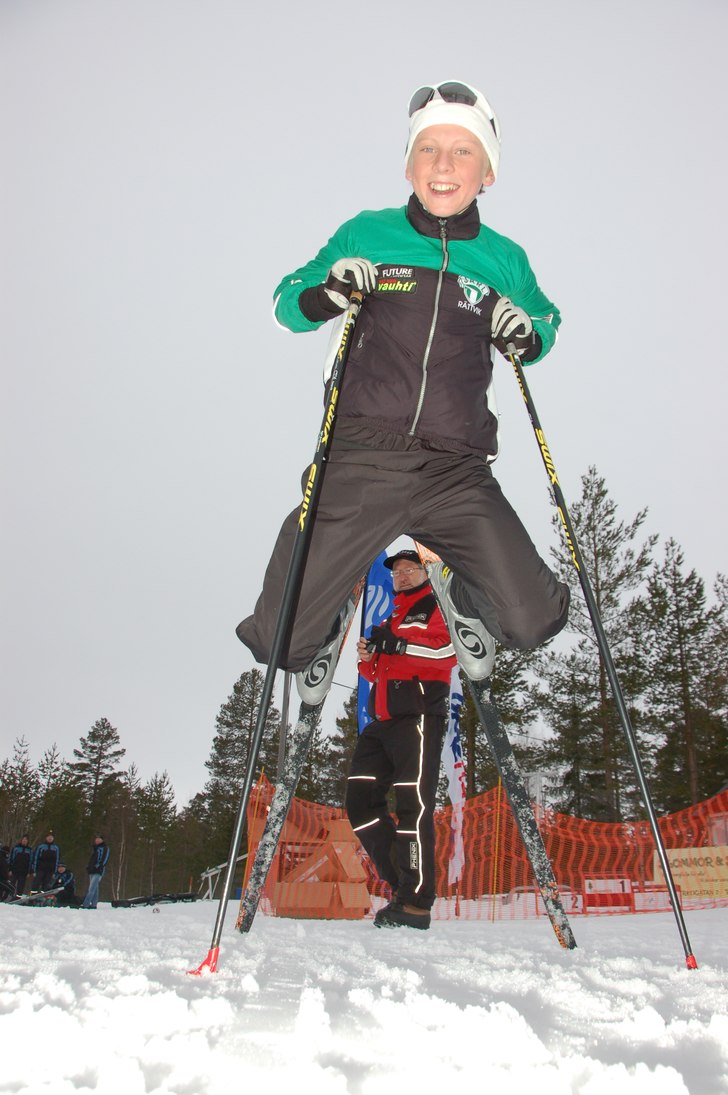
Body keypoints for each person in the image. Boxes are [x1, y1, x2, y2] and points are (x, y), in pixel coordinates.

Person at [236, 80, 569, 704]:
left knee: (535, 620)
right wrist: (327, 291)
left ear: (488, 172)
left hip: (456, 471)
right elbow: (288, 303)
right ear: (410, 164)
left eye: (463, 152)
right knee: (280, 642)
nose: (444, 167)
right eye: (429, 150)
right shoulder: (368, 232)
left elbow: (547, 320)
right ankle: (330, 614)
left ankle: (467, 599)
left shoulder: (505, 259)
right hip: (363, 457)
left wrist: (529, 332)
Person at [346, 550, 457, 929]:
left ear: (426, 572)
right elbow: (377, 673)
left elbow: (448, 650)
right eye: (397, 572)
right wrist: (367, 657)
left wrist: (398, 645)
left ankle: (416, 902)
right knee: (359, 803)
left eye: (410, 569)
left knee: (414, 805)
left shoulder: (436, 604)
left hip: (419, 715)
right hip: (382, 722)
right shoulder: (390, 616)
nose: (402, 576)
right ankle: (402, 885)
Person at [82, 835, 110, 908]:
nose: (97, 840)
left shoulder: (105, 848)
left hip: (98, 870)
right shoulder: (95, 848)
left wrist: (100, 866)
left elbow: (105, 858)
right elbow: (92, 859)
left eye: (99, 839)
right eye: (96, 839)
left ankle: (86, 904)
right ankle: (94, 904)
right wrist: (89, 866)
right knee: (95, 888)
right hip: (92, 869)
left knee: (91, 888)